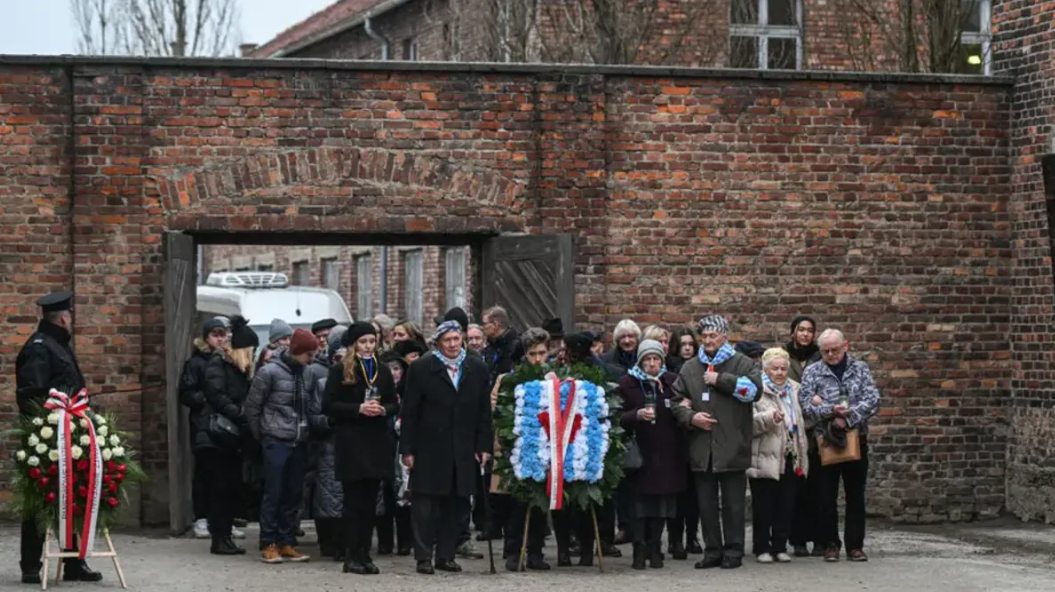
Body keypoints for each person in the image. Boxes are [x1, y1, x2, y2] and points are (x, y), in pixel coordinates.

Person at [15, 290, 103, 584]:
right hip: (48, 437)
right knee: (40, 499)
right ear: (63, 317)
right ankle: (30, 564)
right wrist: (50, 426)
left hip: (68, 434)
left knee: (71, 498)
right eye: (70, 314)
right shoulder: (41, 347)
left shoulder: (57, 344)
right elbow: (32, 395)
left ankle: (73, 563)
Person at [400, 321, 493, 575]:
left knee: (457, 504)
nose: (452, 345)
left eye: (456, 339)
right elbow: (410, 411)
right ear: (438, 343)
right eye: (447, 340)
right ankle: (423, 556)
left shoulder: (476, 368)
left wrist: (484, 445)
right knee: (425, 505)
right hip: (429, 446)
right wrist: (407, 449)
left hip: (463, 446)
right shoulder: (422, 368)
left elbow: (484, 411)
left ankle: (446, 554)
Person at [671, 314, 761, 570]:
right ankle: (712, 551)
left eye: (713, 336)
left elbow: (755, 392)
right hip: (702, 448)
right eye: (704, 336)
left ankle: (733, 551)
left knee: (733, 505)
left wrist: (721, 380)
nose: (708, 341)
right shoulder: (689, 368)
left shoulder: (742, 363)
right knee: (706, 505)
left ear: (725, 336)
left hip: (733, 446)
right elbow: (675, 400)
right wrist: (691, 417)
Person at [322, 322, 399, 575]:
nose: (367, 346)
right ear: (354, 344)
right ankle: (351, 553)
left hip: (376, 441)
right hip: (352, 442)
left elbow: (393, 402)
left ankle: (365, 552)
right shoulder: (339, 370)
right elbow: (329, 405)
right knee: (353, 502)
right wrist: (358, 409)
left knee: (370, 504)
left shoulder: (383, 371)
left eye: (371, 341)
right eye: (363, 342)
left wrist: (383, 409)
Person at [800, 329, 880, 563]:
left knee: (855, 496)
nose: (831, 354)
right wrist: (829, 410)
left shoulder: (860, 368)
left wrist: (849, 417)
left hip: (856, 440)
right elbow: (805, 404)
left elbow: (873, 399)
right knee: (826, 497)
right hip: (826, 441)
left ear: (845, 345)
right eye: (825, 351)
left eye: (835, 349)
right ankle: (830, 544)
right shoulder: (813, 370)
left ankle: (855, 546)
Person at [244, 329, 320, 564]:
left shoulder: (308, 374)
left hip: (298, 439)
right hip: (276, 439)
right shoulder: (269, 373)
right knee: (273, 493)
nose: (312, 358)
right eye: (308, 353)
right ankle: (269, 542)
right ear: (297, 351)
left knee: (293, 493)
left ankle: (286, 541)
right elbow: (253, 407)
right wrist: (264, 434)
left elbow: (310, 406)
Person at [618, 340, 687, 570]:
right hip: (640, 453)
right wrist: (635, 415)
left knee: (661, 505)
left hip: (667, 453)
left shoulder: (671, 382)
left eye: (655, 359)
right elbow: (617, 417)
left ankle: (655, 548)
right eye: (647, 359)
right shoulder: (628, 384)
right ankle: (639, 549)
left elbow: (681, 410)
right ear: (640, 361)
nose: (651, 364)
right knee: (639, 506)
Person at [180, 318, 246, 540]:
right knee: (205, 473)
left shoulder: (229, 360)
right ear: (206, 337)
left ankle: (224, 519)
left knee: (227, 476)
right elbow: (186, 393)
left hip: (226, 425)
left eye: (223, 334)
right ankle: (202, 517)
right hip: (204, 424)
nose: (220, 338)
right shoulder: (197, 363)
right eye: (215, 334)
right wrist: (209, 397)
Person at [493, 327, 551, 572]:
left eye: (542, 353)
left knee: (540, 502)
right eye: (532, 354)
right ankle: (514, 551)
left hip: (545, 447)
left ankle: (536, 551)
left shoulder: (553, 378)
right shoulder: (508, 379)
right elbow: (496, 411)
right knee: (516, 503)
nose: (538, 359)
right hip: (517, 448)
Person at [203, 315, 259, 557]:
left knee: (229, 488)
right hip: (220, 436)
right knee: (221, 488)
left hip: (232, 437)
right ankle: (220, 538)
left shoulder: (236, 368)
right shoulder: (220, 364)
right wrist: (239, 414)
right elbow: (217, 395)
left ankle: (224, 536)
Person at [749, 348, 809, 564]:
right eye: (775, 368)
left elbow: (802, 422)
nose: (780, 372)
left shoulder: (796, 389)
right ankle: (762, 547)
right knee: (764, 505)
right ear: (765, 369)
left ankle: (780, 546)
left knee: (786, 504)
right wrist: (769, 418)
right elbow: (748, 424)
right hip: (764, 454)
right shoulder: (756, 390)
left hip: (790, 454)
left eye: (784, 368)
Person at [307, 326, 348, 561]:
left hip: (351, 446)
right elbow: (314, 416)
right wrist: (332, 420)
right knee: (327, 497)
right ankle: (328, 542)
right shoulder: (322, 382)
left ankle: (346, 543)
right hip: (327, 446)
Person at [784, 316, 824, 557]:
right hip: (791, 428)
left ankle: (820, 538)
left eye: (810, 330)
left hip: (816, 428)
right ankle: (797, 539)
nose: (806, 334)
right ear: (793, 333)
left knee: (819, 488)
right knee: (795, 488)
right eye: (801, 330)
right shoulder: (782, 356)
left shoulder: (820, 357)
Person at [663, 324, 702, 558]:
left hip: (694, 435)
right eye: (683, 345)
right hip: (673, 437)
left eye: (690, 344)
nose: (687, 349)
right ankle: (675, 539)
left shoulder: (699, 369)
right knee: (676, 492)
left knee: (695, 493)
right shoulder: (667, 371)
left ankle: (692, 536)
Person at [377, 351, 413, 556]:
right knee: (384, 496)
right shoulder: (379, 392)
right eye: (390, 369)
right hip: (383, 448)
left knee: (404, 496)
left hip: (403, 450)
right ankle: (385, 541)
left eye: (397, 368)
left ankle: (405, 541)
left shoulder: (410, 391)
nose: (394, 373)